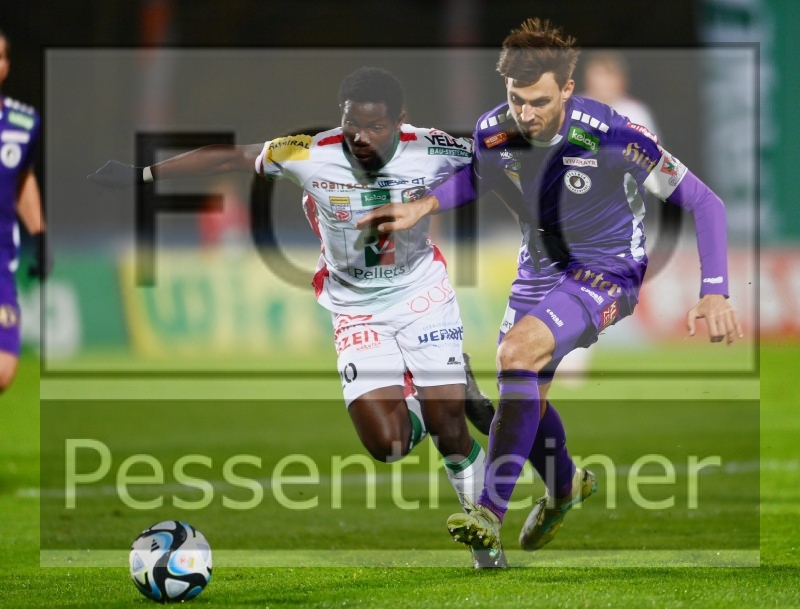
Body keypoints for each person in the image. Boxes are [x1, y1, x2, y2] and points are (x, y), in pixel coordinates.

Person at [355, 19, 744, 568]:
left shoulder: (613, 134)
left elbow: (704, 202)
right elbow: (478, 176)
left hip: (607, 270)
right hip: (538, 269)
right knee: (525, 395)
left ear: (567, 89)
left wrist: (716, 290)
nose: (526, 114)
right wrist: (424, 205)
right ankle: (564, 487)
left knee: (517, 355)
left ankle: (488, 513)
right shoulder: (495, 130)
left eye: (539, 101)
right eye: (517, 100)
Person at [89, 67, 496, 565]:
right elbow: (231, 157)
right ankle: (442, 392)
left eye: (375, 127)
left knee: (449, 427)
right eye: (351, 126)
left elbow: (494, 165)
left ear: (400, 122)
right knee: (387, 445)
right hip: (355, 310)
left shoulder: (431, 146)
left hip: (422, 296)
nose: (361, 138)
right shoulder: (309, 152)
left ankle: (486, 544)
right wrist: (143, 175)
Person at [0, 28, 50, 395]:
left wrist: (39, 234)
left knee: (3, 370)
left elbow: (23, 179)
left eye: (0, 56)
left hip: (1, 259)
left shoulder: (24, 122)